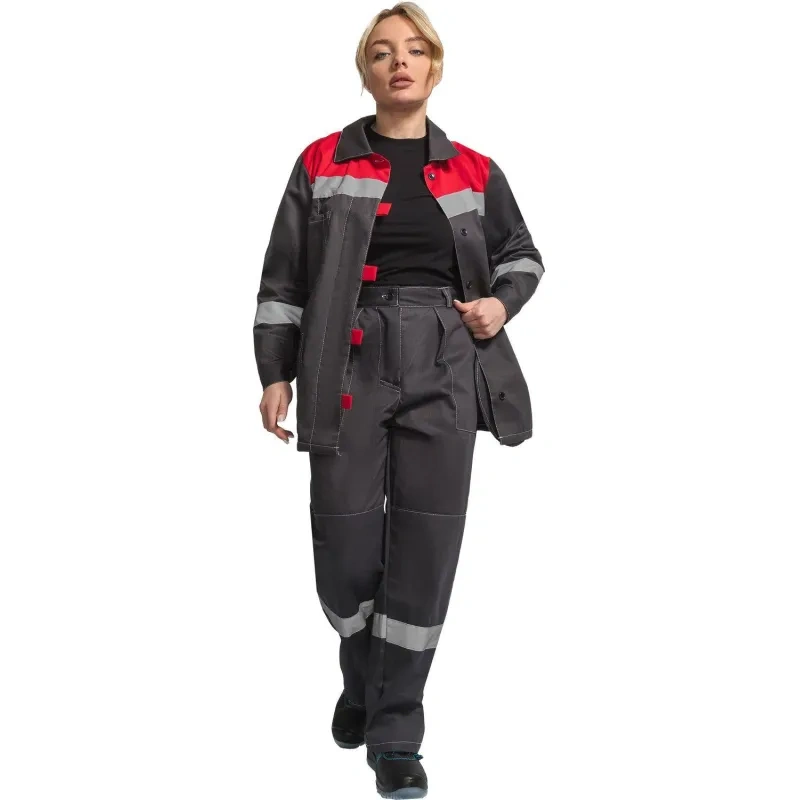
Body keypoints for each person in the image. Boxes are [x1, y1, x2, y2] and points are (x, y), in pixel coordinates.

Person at [253, 3, 544, 796]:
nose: (400, 62)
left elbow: (522, 254)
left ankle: (395, 732)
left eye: (415, 50)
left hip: (446, 359)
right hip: (342, 361)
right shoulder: (321, 161)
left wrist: (501, 303)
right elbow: (283, 279)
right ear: (367, 72)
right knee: (343, 547)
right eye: (382, 53)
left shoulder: (475, 170)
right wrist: (274, 372)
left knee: (425, 548)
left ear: (435, 67)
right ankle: (365, 674)